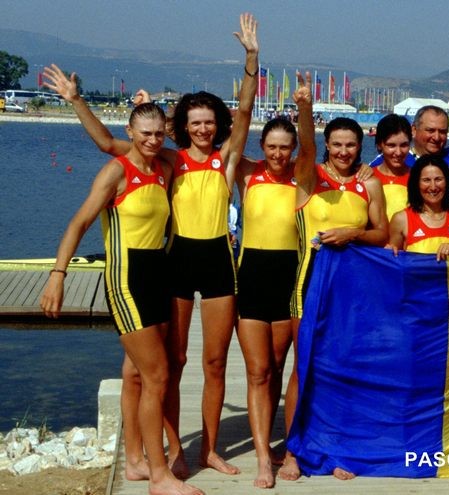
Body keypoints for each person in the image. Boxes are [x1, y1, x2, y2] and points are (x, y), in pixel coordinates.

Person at [42, 13, 259, 476]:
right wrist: (77, 100)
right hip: (175, 263)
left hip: (219, 263)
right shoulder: (168, 160)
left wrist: (251, 61)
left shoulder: (227, 158)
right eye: (195, 122)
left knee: (215, 362)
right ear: (184, 126)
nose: (203, 129)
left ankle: (209, 450)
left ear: (218, 125)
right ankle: (175, 450)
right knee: (173, 363)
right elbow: (109, 143)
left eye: (209, 122)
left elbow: (244, 111)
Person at [40, 104, 204, 495]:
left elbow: (189, 151)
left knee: (135, 373)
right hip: (127, 282)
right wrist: (57, 276)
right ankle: (160, 475)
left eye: (159, 133)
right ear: (129, 132)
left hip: (158, 277)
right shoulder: (116, 172)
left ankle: (134, 462)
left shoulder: (163, 168)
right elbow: (79, 223)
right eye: (144, 133)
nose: (152, 140)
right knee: (158, 375)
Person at [280, 73, 389, 481]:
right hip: (310, 281)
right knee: (304, 366)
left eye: (351, 145)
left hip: (352, 287)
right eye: (337, 144)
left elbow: (381, 234)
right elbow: (305, 145)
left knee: (343, 367)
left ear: (360, 147)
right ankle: (292, 451)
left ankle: (339, 447)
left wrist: (353, 233)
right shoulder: (309, 177)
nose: (343, 151)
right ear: (327, 145)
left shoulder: (370, 184)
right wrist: (305, 107)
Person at [234, 118, 299, 488]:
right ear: (262, 146)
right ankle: (262, 457)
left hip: (288, 280)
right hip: (252, 279)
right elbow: (233, 134)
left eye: (284, 147)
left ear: (294, 149)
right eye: (271, 146)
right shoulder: (247, 173)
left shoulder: (303, 176)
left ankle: (276, 444)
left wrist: (304, 108)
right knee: (258, 371)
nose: (277, 154)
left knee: (276, 367)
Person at [388, 154, 449, 260]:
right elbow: (392, 261)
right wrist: (388, 252)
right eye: (426, 180)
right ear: (416, 184)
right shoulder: (401, 220)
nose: (433, 187)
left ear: (447, 182)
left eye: (438, 179)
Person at [372, 113, 412, 219]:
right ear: (379, 145)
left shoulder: (417, 178)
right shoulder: (367, 177)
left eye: (404, 145)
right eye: (391, 145)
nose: (398, 152)